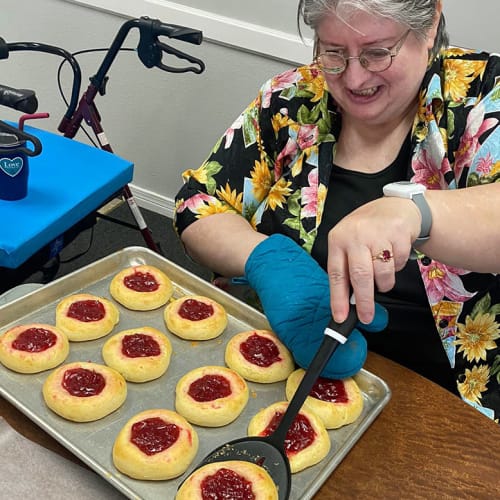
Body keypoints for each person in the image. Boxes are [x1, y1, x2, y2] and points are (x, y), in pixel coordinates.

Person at [174, 0, 500, 421]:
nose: (354, 76)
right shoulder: (291, 100)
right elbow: (199, 205)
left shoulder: (480, 99)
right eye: (332, 52)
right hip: (282, 372)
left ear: (431, 23)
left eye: (377, 52)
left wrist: (416, 213)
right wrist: (267, 260)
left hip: (442, 399)